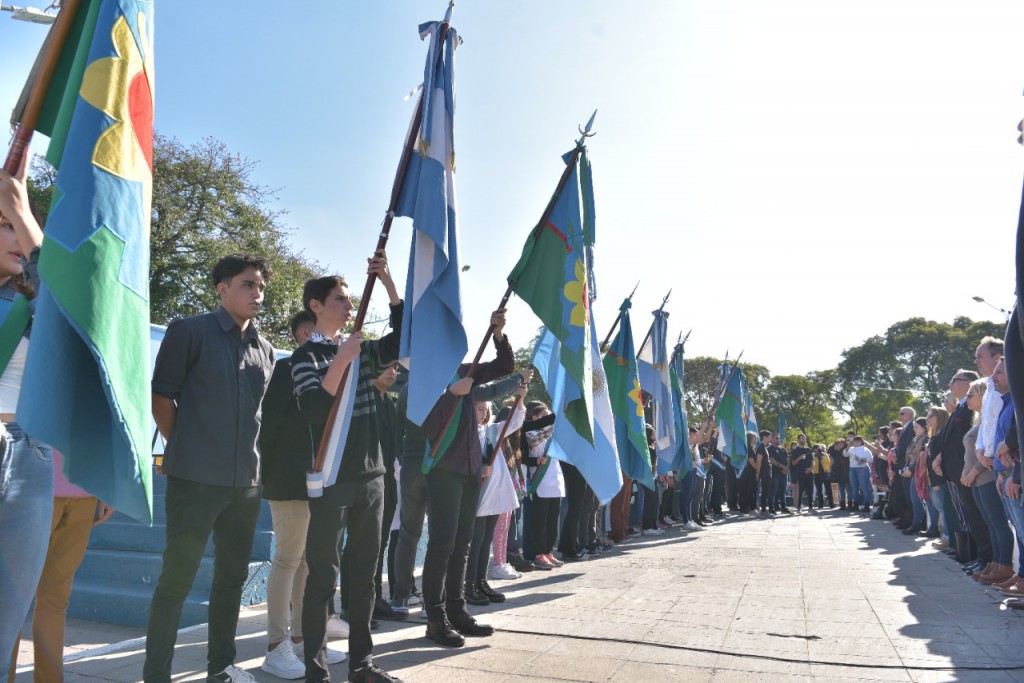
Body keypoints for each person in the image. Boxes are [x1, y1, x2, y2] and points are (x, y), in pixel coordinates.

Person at [145, 254, 276, 683]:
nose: (257, 293)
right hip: (194, 481)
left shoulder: (266, 350)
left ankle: (221, 667)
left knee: (231, 581)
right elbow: (162, 396)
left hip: (246, 486)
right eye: (247, 284)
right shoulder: (189, 332)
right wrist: (182, 448)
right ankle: (156, 675)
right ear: (222, 289)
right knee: (176, 580)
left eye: (260, 286)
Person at [291, 259, 404, 683]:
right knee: (322, 577)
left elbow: (403, 336)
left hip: (372, 478)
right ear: (316, 306)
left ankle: (362, 665)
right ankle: (315, 671)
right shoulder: (306, 356)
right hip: (332, 480)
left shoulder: (366, 350)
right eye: (339, 297)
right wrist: (342, 359)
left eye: (349, 296)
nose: (348, 302)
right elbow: (315, 409)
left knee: (365, 578)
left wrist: (390, 284)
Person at [419, 312, 517, 648]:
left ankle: (458, 611)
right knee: (442, 545)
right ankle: (435, 617)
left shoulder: (466, 371)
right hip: (444, 469)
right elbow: (425, 422)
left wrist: (499, 334)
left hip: (470, 468)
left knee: (463, 544)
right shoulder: (423, 375)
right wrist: (452, 394)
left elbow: (504, 367)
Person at [259, 312, 345, 680]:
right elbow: (268, 426)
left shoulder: (333, 374)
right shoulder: (286, 368)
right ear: (300, 334)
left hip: (318, 481)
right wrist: (274, 475)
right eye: (310, 331)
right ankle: (275, 647)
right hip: (290, 479)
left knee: (308, 562)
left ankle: (300, 636)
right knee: (288, 559)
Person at [0, 151, 52, 679]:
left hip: (29, 454)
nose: (17, 234)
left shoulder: (32, 302)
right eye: (4, 225)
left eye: (19, 225)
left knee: (5, 619)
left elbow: (67, 306)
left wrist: (21, 210)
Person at [466, 384, 528, 602]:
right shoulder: (466, 433)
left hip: (495, 496)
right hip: (479, 496)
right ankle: (469, 584)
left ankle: (482, 582)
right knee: (475, 542)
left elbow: (516, 420)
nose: (484, 413)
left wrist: (520, 398)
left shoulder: (492, 430)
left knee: (484, 542)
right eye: (479, 409)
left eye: (485, 409)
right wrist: (478, 471)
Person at [848, 437, 874, 512]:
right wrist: (848, 446)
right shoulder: (851, 449)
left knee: (864, 487)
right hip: (852, 469)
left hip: (862, 468)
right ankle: (856, 504)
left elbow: (870, 459)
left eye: (858, 441)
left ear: (861, 442)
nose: (856, 442)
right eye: (854, 441)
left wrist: (861, 460)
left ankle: (866, 505)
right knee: (854, 487)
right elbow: (845, 454)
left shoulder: (865, 450)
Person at [789, 434, 814, 512]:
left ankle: (810, 507)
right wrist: (799, 458)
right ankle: (799, 506)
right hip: (800, 473)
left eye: (805, 438)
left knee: (810, 490)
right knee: (801, 490)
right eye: (802, 438)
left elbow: (813, 461)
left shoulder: (809, 450)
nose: (804, 440)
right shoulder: (795, 450)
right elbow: (793, 463)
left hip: (809, 473)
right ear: (798, 440)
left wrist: (810, 469)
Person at [769, 434, 790, 514]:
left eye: (779, 438)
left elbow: (788, 459)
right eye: (776, 438)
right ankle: (771, 508)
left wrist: (787, 467)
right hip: (775, 473)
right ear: (772, 439)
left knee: (783, 492)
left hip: (784, 474)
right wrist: (783, 467)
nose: (778, 439)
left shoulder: (783, 449)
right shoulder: (770, 449)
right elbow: (772, 461)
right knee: (773, 491)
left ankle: (783, 508)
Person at [828, 438, 850, 510]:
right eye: (838, 444)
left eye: (841, 443)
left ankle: (850, 503)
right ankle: (842, 503)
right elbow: (831, 458)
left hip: (846, 470)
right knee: (841, 488)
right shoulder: (832, 450)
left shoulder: (846, 450)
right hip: (837, 471)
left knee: (848, 488)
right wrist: (830, 467)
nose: (839, 445)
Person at [812, 444, 833, 508]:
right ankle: (820, 504)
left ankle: (831, 503)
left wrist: (827, 470)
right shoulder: (813, 455)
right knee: (819, 490)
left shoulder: (824, 454)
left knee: (828, 489)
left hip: (825, 473)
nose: (817, 449)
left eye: (818, 447)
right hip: (817, 474)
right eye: (815, 448)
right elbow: (812, 464)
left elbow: (828, 463)